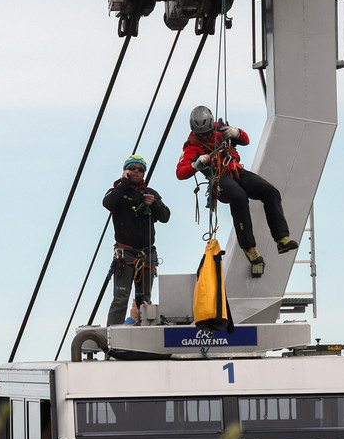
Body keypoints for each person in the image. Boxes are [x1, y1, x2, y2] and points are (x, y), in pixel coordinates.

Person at [175, 106, 298, 272]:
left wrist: (237, 133)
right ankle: (249, 247)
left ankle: (282, 238)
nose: (204, 137)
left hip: (236, 170)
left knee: (271, 192)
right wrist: (196, 165)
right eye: (200, 134)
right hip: (220, 179)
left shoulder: (220, 131)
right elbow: (181, 172)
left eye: (206, 133)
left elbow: (245, 140)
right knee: (239, 197)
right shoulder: (192, 147)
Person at [102, 155, 170, 325]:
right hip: (126, 254)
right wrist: (123, 183)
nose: (136, 171)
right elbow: (108, 203)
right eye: (132, 168)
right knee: (120, 300)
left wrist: (153, 204)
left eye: (140, 169)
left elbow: (165, 216)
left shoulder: (150, 193)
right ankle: (114, 337)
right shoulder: (117, 191)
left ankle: (143, 332)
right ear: (126, 170)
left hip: (147, 254)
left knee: (144, 300)